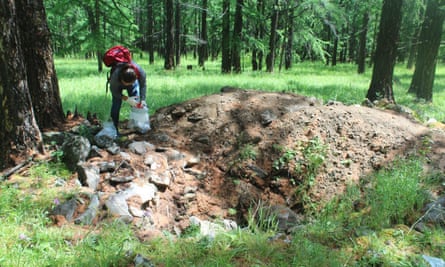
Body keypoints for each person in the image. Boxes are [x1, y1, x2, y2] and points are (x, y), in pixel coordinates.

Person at [109, 62, 147, 134]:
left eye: (129, 84)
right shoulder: (115, 77)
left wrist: (143, 99)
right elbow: (114, 92)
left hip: (133, 82)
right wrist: (126, 98)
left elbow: (143, 85)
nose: (127, 85)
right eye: (126, 83)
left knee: (137, 102)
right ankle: (114, 128)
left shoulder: (140, 72)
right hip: (117, 85)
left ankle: (138, 125)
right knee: (116, 104)